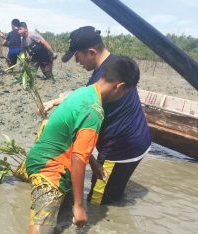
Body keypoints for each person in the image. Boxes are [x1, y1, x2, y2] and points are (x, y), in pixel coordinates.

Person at [21, 56, 141, 234]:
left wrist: (94, 165)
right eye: (126, 93)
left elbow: (76, 142)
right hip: (50, 169)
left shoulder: (84, 92)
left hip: (43, 157)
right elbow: (78, 157)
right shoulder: (95, 111)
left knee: (64, 214)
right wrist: (80, 206)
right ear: (120, 87)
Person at [45, 26, 151, 205]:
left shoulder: (102, 77)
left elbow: (79, 130)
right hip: (139, 137)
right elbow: (88, 93)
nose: (77, 62)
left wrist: (93, 163)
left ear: (91, 52)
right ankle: (117, 193)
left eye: (77, 57)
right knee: (114, 188)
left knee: (98, 202)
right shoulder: (116, 64)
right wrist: (57, 101)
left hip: (121, 149)